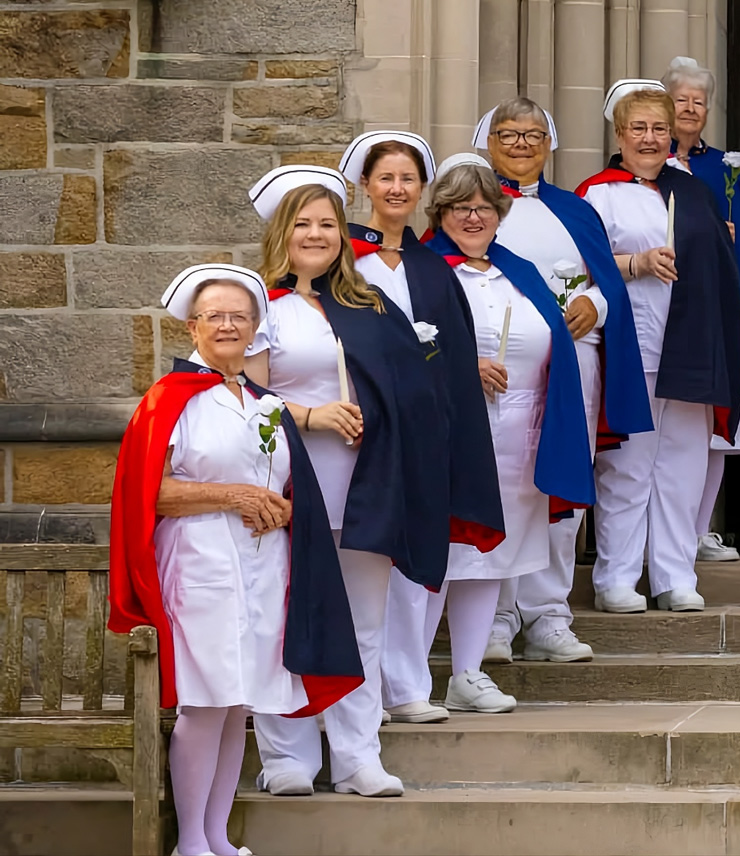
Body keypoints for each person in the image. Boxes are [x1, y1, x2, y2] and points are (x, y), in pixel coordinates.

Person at [110, 264, 361, 856]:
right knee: (204, 704)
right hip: (200, 564)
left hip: (262, 568)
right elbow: (149, 492)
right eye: (215, 316)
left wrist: (283, 509)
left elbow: (289, 487)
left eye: (239, 317)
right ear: (192, 327)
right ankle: (190, 843)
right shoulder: (169, 401)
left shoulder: (266, 404)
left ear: (255, 329)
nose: (228, 326)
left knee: (234, 707)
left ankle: (217, 837)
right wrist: (233, 496)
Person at [243, 165, 450, 798]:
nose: (316, 234)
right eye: (303, 224)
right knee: (285, 618)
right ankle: (287, 755)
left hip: (366, 484)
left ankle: (358, 756)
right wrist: (311, 415)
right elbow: (242, 396)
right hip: (290, 487)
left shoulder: (370, 305)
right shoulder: (261, 308)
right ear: (282, 232)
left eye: (328, 224)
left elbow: (409, 388)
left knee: (364, 623)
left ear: (343, 234)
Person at [394, 162, 595, 718]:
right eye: (461, 208)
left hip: (519, 438)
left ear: (500, 214)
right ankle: (405, 682)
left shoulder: (519, 270)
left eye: (484, 207)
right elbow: (398, 344)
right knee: (439, 557)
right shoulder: (422, 269)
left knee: (492, 557)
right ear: (440, 214)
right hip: (451, 437)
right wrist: (461, 368)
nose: (474, 217)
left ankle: (467, 672)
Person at [343, 131, 513, 726]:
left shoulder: (433, 269)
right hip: (362, 432)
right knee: (366, 562)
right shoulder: (343, 261)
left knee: (419, 559)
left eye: (408, 179)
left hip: (426, 433)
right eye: (386, 178)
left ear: (421, 191)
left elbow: (455, 355)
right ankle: (359, 693)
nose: (397, 189)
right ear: (365, 185)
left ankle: (408, 685)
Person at [474, 99, 652, 647]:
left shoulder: (576, 210)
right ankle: (496, 616)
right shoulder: (473, 209)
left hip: (575, 362)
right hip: (502, 368)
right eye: (509, 134)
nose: (522, 144)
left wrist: (594, 305)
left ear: (550, 144)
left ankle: (549, 613)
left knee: (563, 483)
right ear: (489, 142)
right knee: (503, 484)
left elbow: (605, 281)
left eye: (533, 134)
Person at [580, 78, 740, 611]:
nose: (649, 138)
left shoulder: (692, 190)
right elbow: (581, 267)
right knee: (628, 467)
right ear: (619, 134)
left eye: (658, 128)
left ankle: (675, 576)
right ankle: (617, 578)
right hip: (633, 344)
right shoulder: (598, 194)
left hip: (690, 344)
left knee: (683, 467)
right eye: (638, 128)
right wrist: (637, 263)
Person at [664, 55, 740, 563]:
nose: (691, 109)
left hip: (717, 308)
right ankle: (660, 537)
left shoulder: (724, 169)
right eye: (681, 100)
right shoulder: (645, 169)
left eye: (699, 101)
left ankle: (698, 531)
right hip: (666, 306)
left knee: (717, 429)